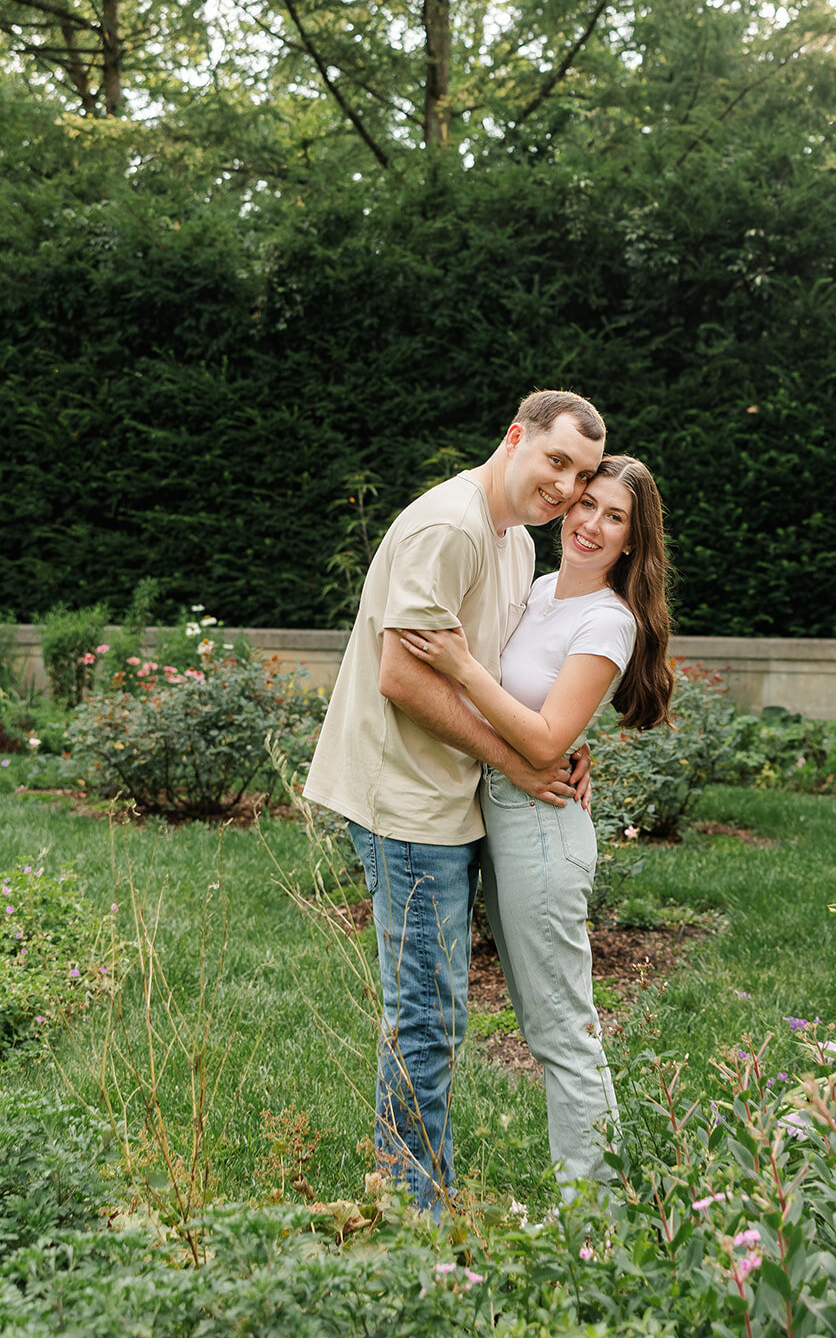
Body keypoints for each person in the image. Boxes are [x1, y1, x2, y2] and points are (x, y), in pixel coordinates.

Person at [302, 391, 606, 1214]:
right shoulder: (453, 526)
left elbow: (492, 674)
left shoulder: (509, 540)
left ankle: (409, 1186)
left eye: (580, 476)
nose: (566, 488)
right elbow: (400, 676)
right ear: (516, 438)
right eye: (556, 461)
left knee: (435, 1013)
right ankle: (412, 1206)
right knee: (427, 1018)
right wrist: (519, 756)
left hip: (449, 791)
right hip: (404, 800)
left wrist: (558, 743)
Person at [400, 454, 674, 1195]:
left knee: (561, 1035)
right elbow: (541, 723)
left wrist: (461, 667)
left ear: (631, 542)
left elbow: (548, 739)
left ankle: (595, 1225)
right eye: (585, 504)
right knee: (544, 1028)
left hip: (541, 828)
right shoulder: (542, 589)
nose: (588, 524)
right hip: (501, 812)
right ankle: (590, 1213)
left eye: (613, 517)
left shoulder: (607, 619)